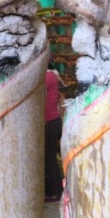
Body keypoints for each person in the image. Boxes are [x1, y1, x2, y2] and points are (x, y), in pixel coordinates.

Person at [44, 63, 64, 201]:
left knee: (49, 157)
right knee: (49, 156)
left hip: (49, 120)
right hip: (53, 119)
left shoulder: (46, 77)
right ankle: (53, 190)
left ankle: (54, 191)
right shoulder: (52, 76)